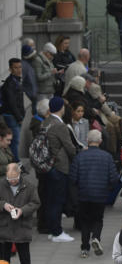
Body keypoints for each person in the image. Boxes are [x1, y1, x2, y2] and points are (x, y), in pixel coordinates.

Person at [69, 130, 119, 258]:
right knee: (98, 219)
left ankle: (85, 248)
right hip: (100, 195)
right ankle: (95, 237)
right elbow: (114, 178)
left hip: (83, 195)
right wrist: (107, 189)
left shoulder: (80, 157)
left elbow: (73, 178)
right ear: (100, 141)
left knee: (85, 221)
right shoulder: (107, 157)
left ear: (87, 140)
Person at [40, 96, 77, 242]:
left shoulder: (45, 122)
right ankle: (57, 232)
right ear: (61, 108)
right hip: (59, 166)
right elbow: (69, 147)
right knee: (57, 200)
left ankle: (52, 229)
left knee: (50, 200)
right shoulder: (59, 125)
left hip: (48, 166)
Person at [0, 162, 39, 264]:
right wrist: (3, 205)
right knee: (4, 261)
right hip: (5, 228)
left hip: (22, 228)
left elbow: (35, 203)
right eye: (10, 180)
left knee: (25, 260)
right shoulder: (1, 184)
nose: (12, 182)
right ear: (6, 176)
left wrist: (22, 211)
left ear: (19, 174)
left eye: (15, 179)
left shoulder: (29, 186)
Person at [1, 58, 25, 161]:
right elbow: (12, 103)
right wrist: (19, 118)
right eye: (15, 68)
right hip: (12, 116)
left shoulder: (16, 80)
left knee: (14, 141)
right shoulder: (10, 83)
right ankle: (16, 164)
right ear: (10, 69)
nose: (19, 70)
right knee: (14, 141)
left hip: (15, 115)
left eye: (20, 67)